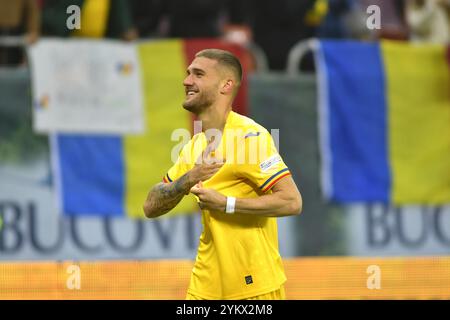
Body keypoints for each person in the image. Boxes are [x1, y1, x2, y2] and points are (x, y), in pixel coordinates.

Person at [143, 49, 302, 300]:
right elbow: (150, 207)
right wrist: (188, 179)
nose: (187, 81)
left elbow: (292, 201)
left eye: (198, 74)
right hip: (204, 286)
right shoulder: (193, 146)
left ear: (226, 85)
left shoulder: (250, 136)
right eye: (188, 73)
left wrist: (226, 203)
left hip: (252, 287)